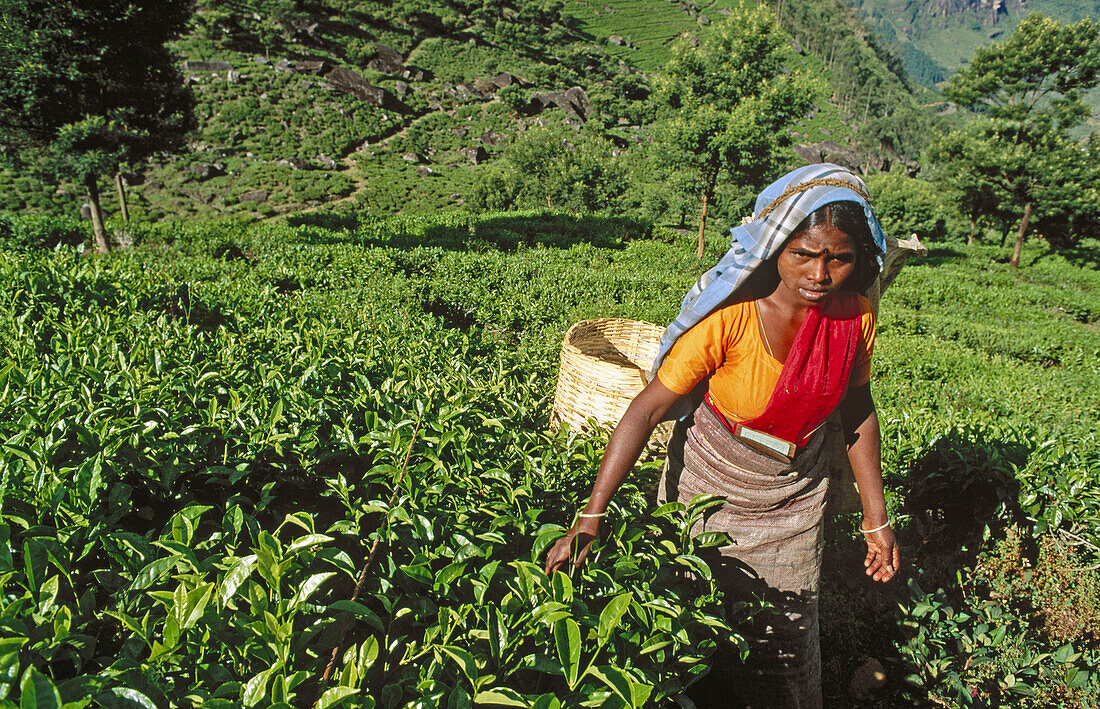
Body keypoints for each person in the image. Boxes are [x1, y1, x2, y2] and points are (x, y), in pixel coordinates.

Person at [543, 164, 900, 709]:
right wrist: (590, 517)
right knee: (688, 628)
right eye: (804, 253)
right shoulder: (730, 319)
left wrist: (877, 520)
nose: (820, 274)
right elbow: (645, 411)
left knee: (783, 643)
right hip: (709, 489)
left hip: (796, 500)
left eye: (839, 258)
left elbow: (857, 412)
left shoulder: (856, 319)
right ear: (778, 246)